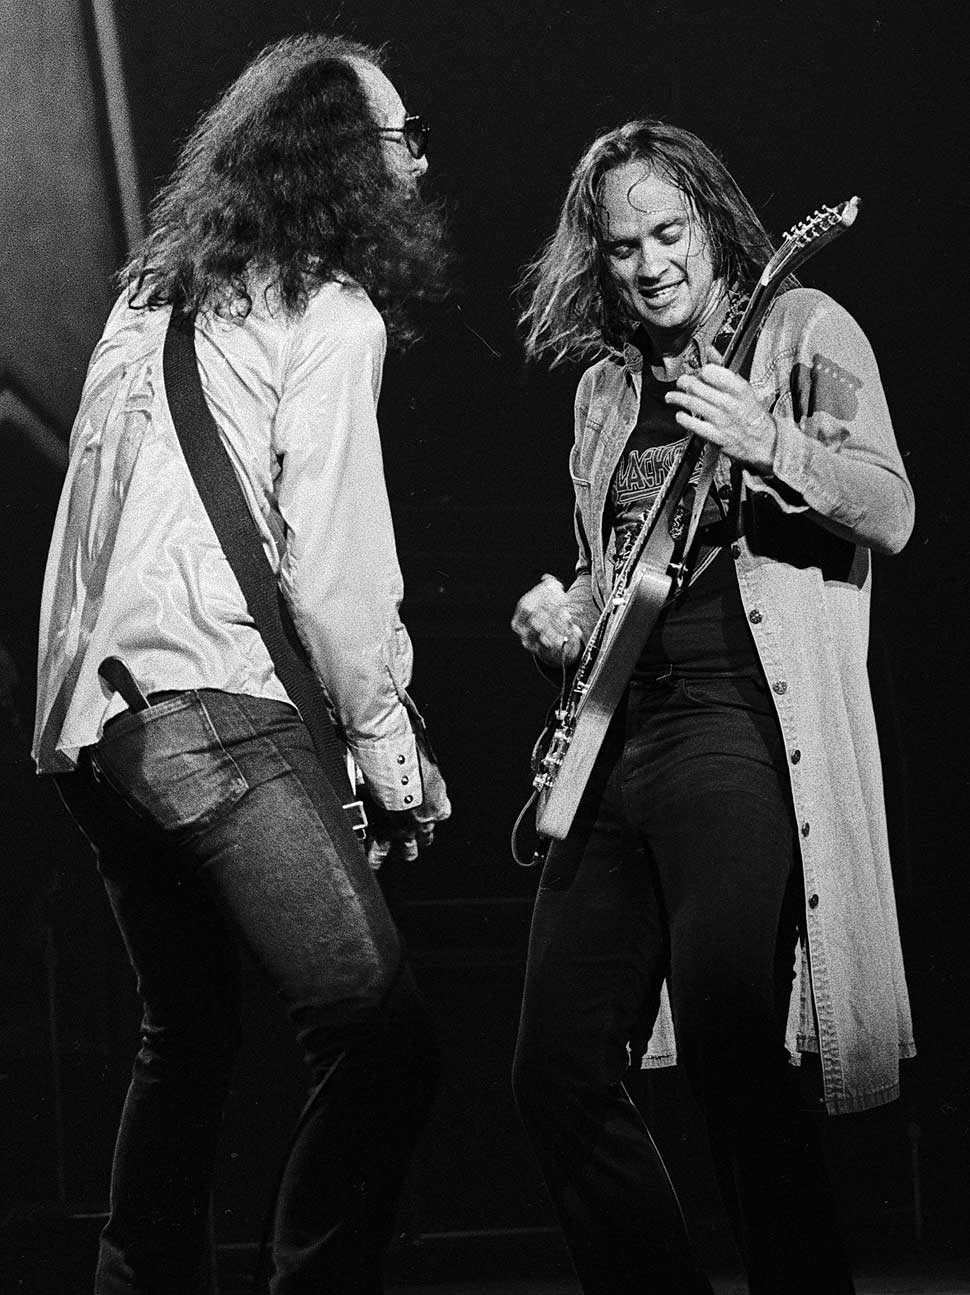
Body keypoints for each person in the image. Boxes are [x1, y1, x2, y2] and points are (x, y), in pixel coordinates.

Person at [33, 33, 451, 1295]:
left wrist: (68, 720)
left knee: (189, 1034)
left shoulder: (150, 297)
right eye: (397, 137)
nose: (417, 161)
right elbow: (332, 555)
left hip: (97, 732)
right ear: (337, 159)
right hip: (215, 714)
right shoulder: (331, 307)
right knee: (381, 1036)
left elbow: (81, 533)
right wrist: (388, 752)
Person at [510, 119, 915, 1295]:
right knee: (553, 1067)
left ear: (710, 218)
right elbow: (622, 562)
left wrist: (765, 436)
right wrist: (563, 612)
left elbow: (888, 507)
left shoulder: (800, 329)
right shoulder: (600, 389)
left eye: (668, 231)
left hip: (737, 724)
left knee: (735, 1043)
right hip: (615, 740)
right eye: (622, 244)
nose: (650, 264)